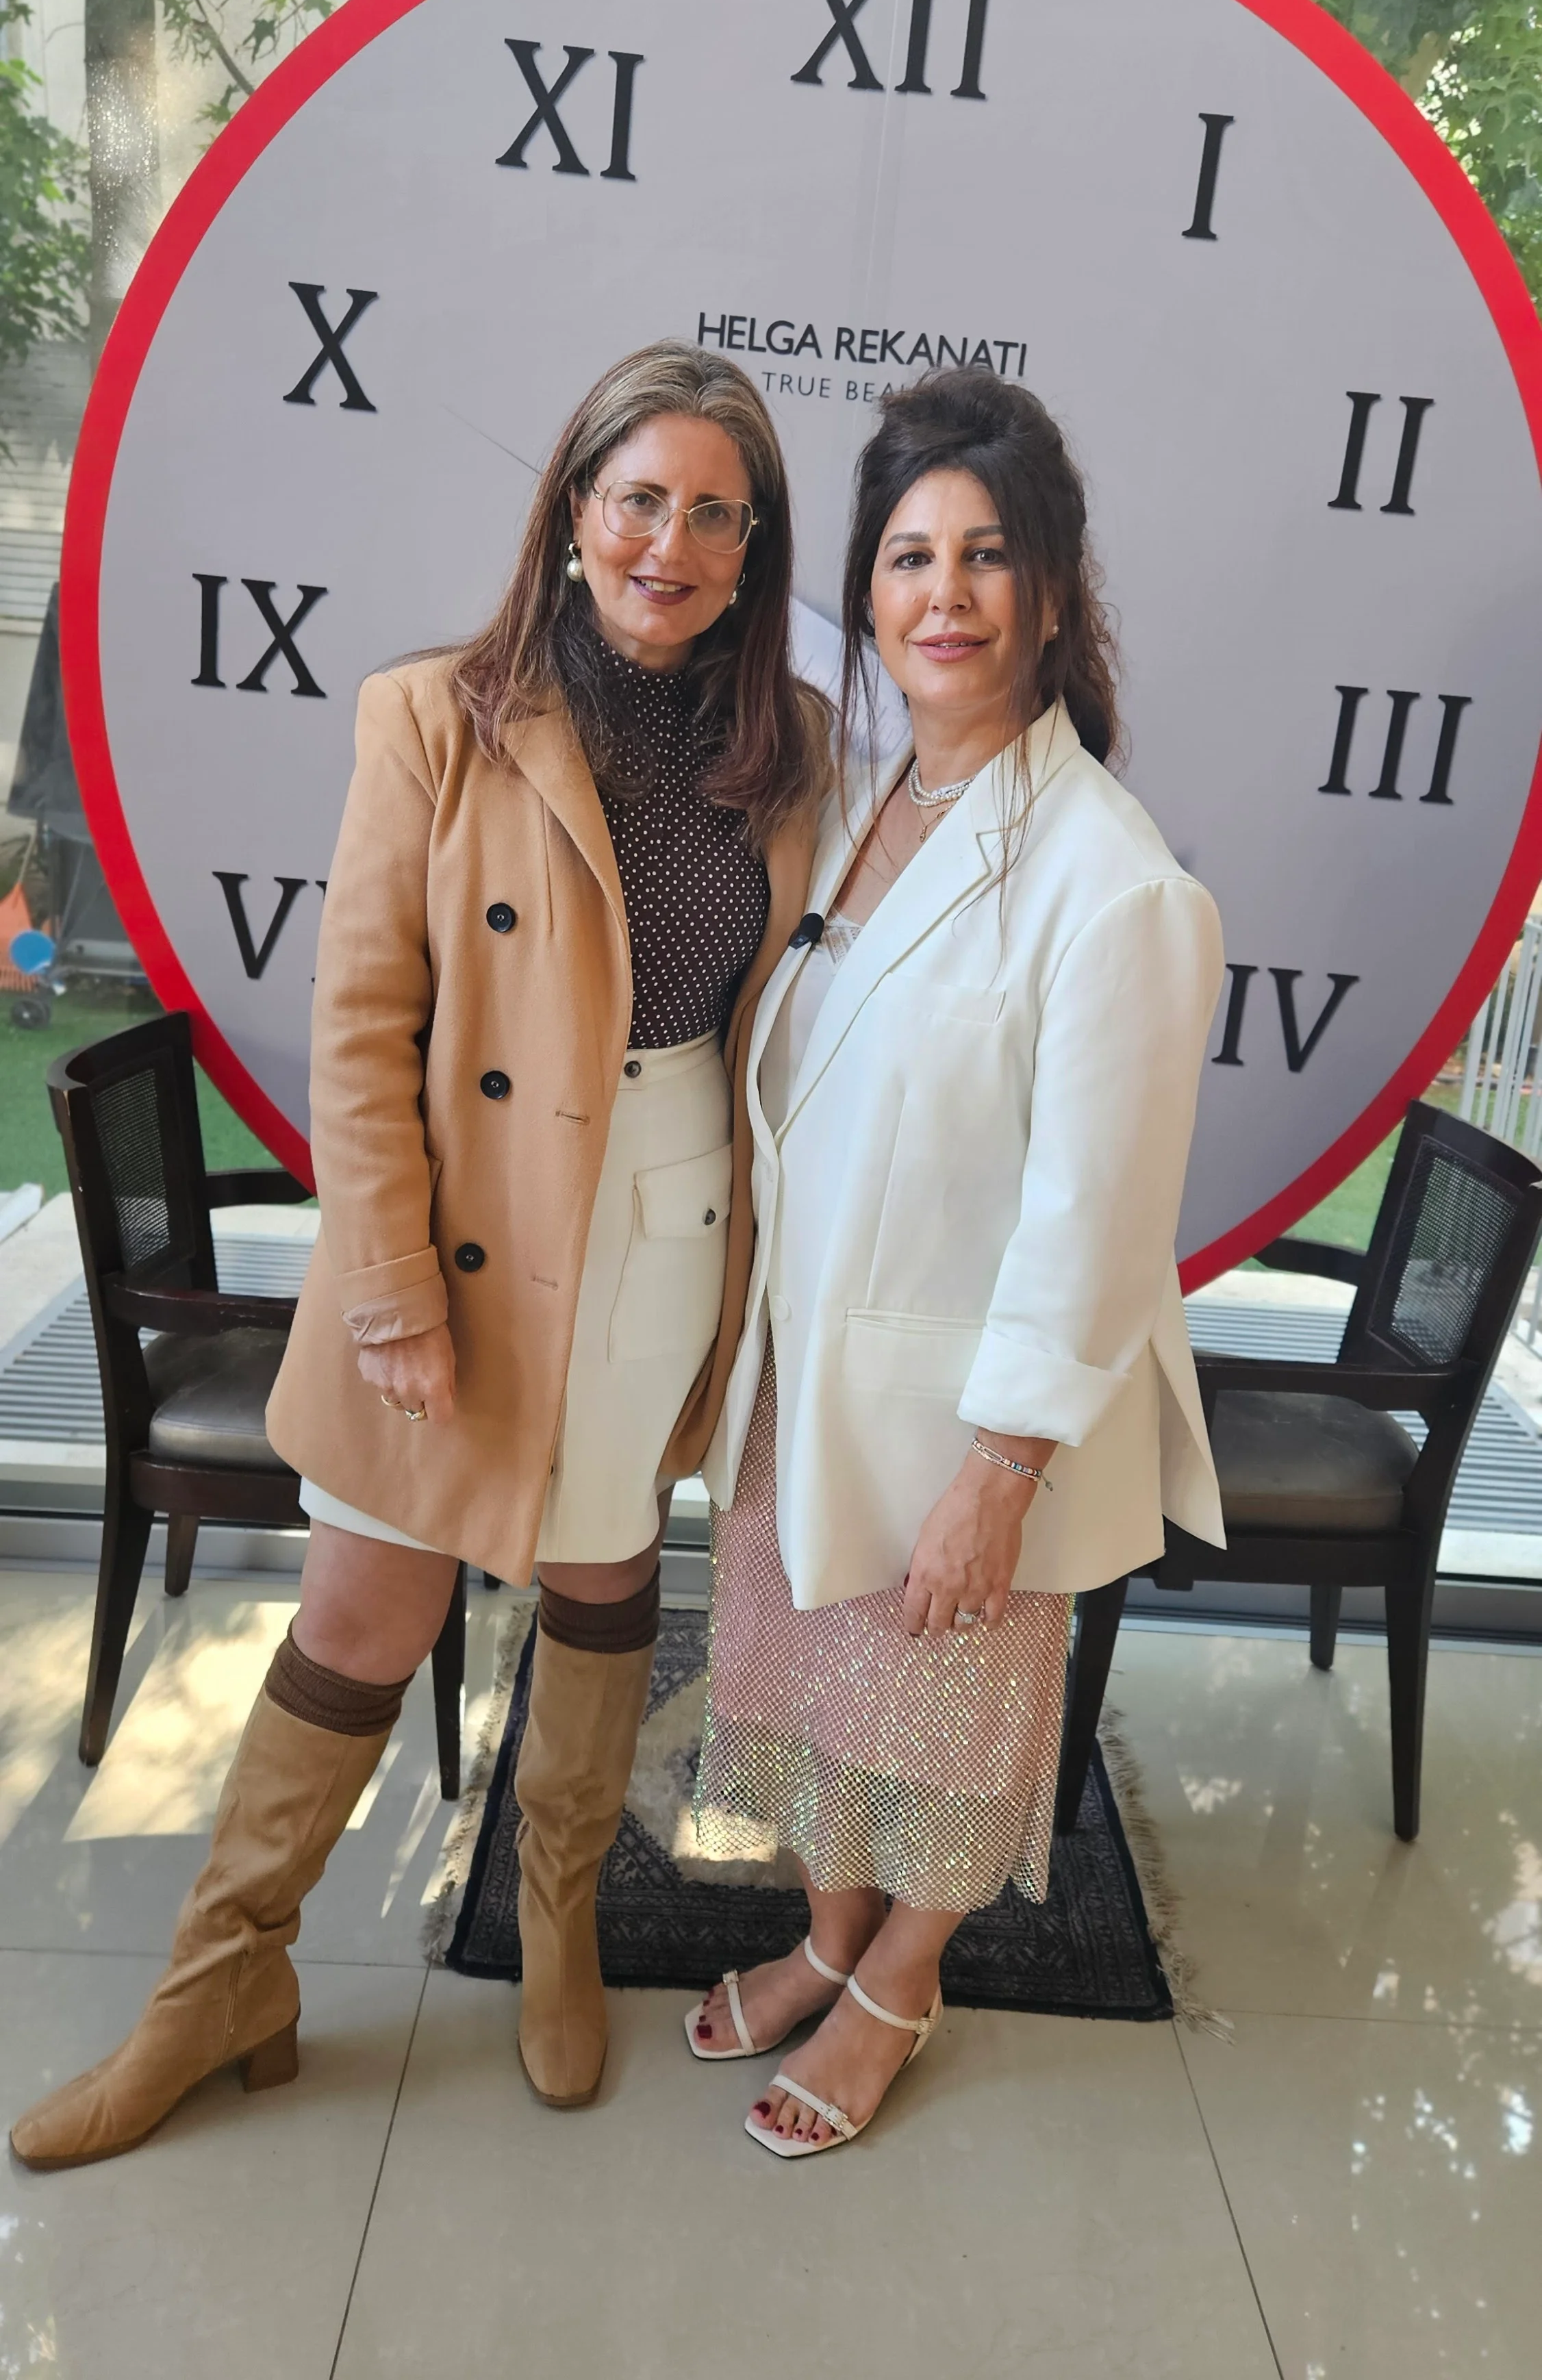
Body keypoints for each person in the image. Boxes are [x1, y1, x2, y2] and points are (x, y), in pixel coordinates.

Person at [12, 341, 828, 2170]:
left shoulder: (791, 749)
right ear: (572, 509)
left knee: (605, 1573)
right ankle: (220, 1982)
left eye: (716, 514)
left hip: (671, 1211)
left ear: (754, 550)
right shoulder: (437, 712)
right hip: (468, 1229)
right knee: (364, 1615)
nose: (671, 543)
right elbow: (361, 1021)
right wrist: (384, 1285)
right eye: (640, 498)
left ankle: (557, 1922)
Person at [687, 369, 1226, 2156]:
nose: (945, 593)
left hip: (964, 1412)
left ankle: (897, 1987)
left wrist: (1001, 1468)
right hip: (805, 1368)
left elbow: (1098, 1216)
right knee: (814, 1693)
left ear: (1053, 593)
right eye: (909, 555)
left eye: (987, 555)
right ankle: (823, 1938)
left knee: (933, 1725)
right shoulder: (856, 800)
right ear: (867, 588)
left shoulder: (1111, 881)